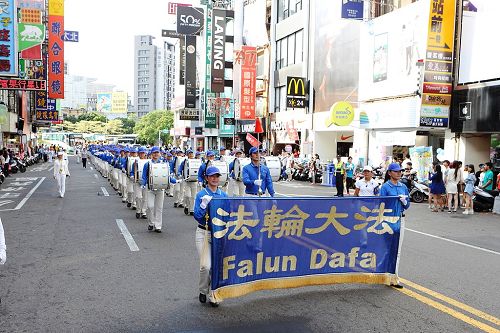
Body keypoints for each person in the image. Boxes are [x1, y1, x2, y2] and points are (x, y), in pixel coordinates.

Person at [193, 166, 227, 307]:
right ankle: (203, 290)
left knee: (217, 266)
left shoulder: (223, 195)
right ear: (207, 178)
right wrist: (203, 205)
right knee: (205, 266)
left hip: (219, 234)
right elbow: (197, 216)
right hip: (203, 233)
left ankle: (215, 295)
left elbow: (228, 214)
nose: (215, 179)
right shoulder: (201, 194)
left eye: (217, 176)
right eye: (212, 176)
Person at [141, 146, 179, 233]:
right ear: (151, 154)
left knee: (159, 207)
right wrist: (143, 184)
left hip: (160, 188)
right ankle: (151, 223)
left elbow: (167, 176)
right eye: (154, 153)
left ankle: (158, 226)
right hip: (150, 188)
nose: (155, 154)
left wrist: (175, 181)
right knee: (150, 206)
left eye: (157, 153)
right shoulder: (147, 164)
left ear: (160, 154)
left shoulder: (164, 164)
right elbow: (144, 176)